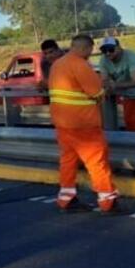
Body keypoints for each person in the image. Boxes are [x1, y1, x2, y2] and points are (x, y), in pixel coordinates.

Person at [48, 34, 122, 213]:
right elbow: (96, 92)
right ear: (85, 48)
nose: (91, 54)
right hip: (83, 124)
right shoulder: (80, 65)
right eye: (90, 50)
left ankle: (66, 199)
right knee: (97, 161)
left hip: (62, 123)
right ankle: (108, 201)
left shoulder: (58, 64)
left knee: (68, 161)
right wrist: (104, 88)